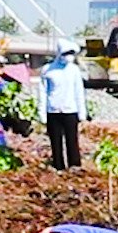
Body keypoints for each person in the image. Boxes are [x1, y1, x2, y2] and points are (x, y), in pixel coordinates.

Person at [40, 39, 88, 170]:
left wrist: (82, 112)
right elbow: (43, 93)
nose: (68, 57)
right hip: (53, 110)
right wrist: (42, 113)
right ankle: (58, 166)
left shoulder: (74, 70)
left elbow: (79, 92)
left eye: (71, 54)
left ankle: (74, 165)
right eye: (66, 53)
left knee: (72, 140)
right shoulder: (48, 70)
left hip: (70, 110)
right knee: (55, 141)